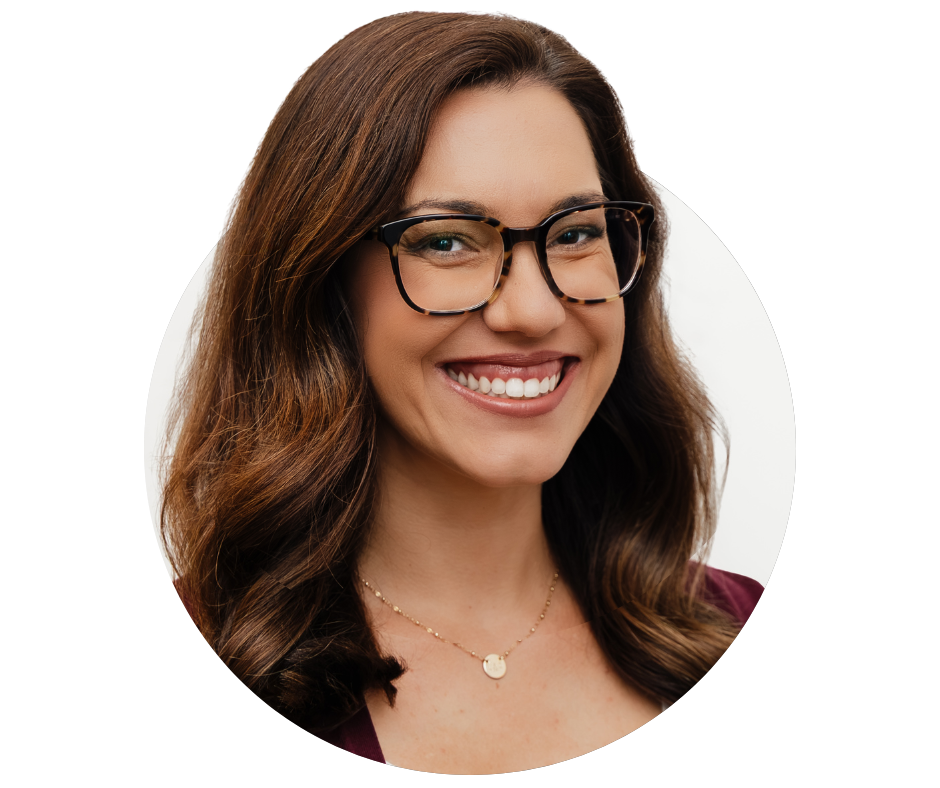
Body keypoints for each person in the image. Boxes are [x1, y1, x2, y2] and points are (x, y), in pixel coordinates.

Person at [162, 10, 764, 774]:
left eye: (577, 232)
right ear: (321, 286)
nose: (533, 312)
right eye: (445, 241)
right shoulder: (196, 644)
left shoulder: (744, 637)